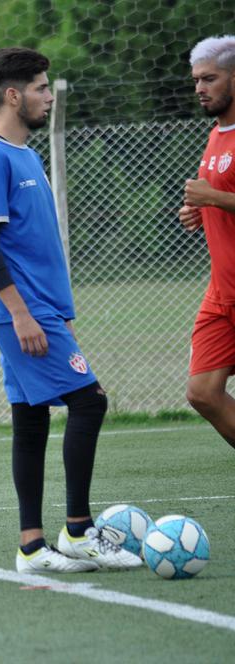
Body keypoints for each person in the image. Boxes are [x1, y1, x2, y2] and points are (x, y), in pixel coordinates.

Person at [0, 49, 141, 573]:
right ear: (13, 95)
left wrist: (57, 311)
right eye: (41, 88)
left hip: (41, 310)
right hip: (21, 312)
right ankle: (79, 532)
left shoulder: (27, 156)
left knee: (31, 415)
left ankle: (32, 547)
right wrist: (22, 314)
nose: (48, 96)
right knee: (90, 402)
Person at [178, 36, 235, 449]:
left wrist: (213, 198)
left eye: (210, 79)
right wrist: (199, 212)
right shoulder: (217, 134)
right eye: (196, 79)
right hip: (221, 293)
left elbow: (220, 194)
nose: (200, 88)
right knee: (202, 392)